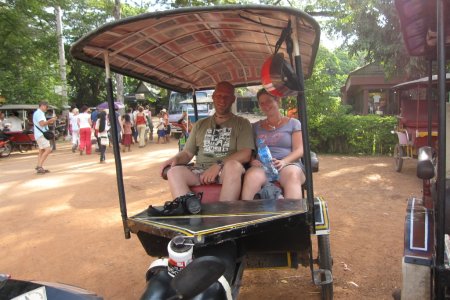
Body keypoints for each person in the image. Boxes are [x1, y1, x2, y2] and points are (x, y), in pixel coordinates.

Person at [160, 81, 255, 205]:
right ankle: (190, 212)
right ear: (213, 97)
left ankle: (224, 216)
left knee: (233, 166)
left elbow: (246, 153)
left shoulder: (242, 123)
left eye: (226, 97)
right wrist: (175, 159)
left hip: (226, 172)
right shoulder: (200, 124)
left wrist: (218, 165)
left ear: (233, 99)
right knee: (173, 172)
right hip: (200, 171)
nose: (222, 100)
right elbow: (188, 153)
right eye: (219, 96)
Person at [241, 88, 306, 200]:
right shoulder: (255, 127)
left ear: (277, 100)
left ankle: (292, 214)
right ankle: (249, 216)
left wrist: (284, 161)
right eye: (262, 103)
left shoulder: (293, 123)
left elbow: (299, 150)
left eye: (269, 101)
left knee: (292, 175)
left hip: (287, 164)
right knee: (251, 176)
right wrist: (252, 161)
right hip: (262, 167)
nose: (265, 105)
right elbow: (251, 150)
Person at [33, 101, 57, 174]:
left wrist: (49, 121)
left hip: (39, 134)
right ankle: (39, 166)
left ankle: (38, 166)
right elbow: (42, 124)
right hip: (41, 134)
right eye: (47, 107)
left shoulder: (38, 113)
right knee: (48, 149)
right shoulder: (39, 113)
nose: (47, 108)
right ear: (42, 106)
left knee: (42, 151)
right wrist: (51, 120)